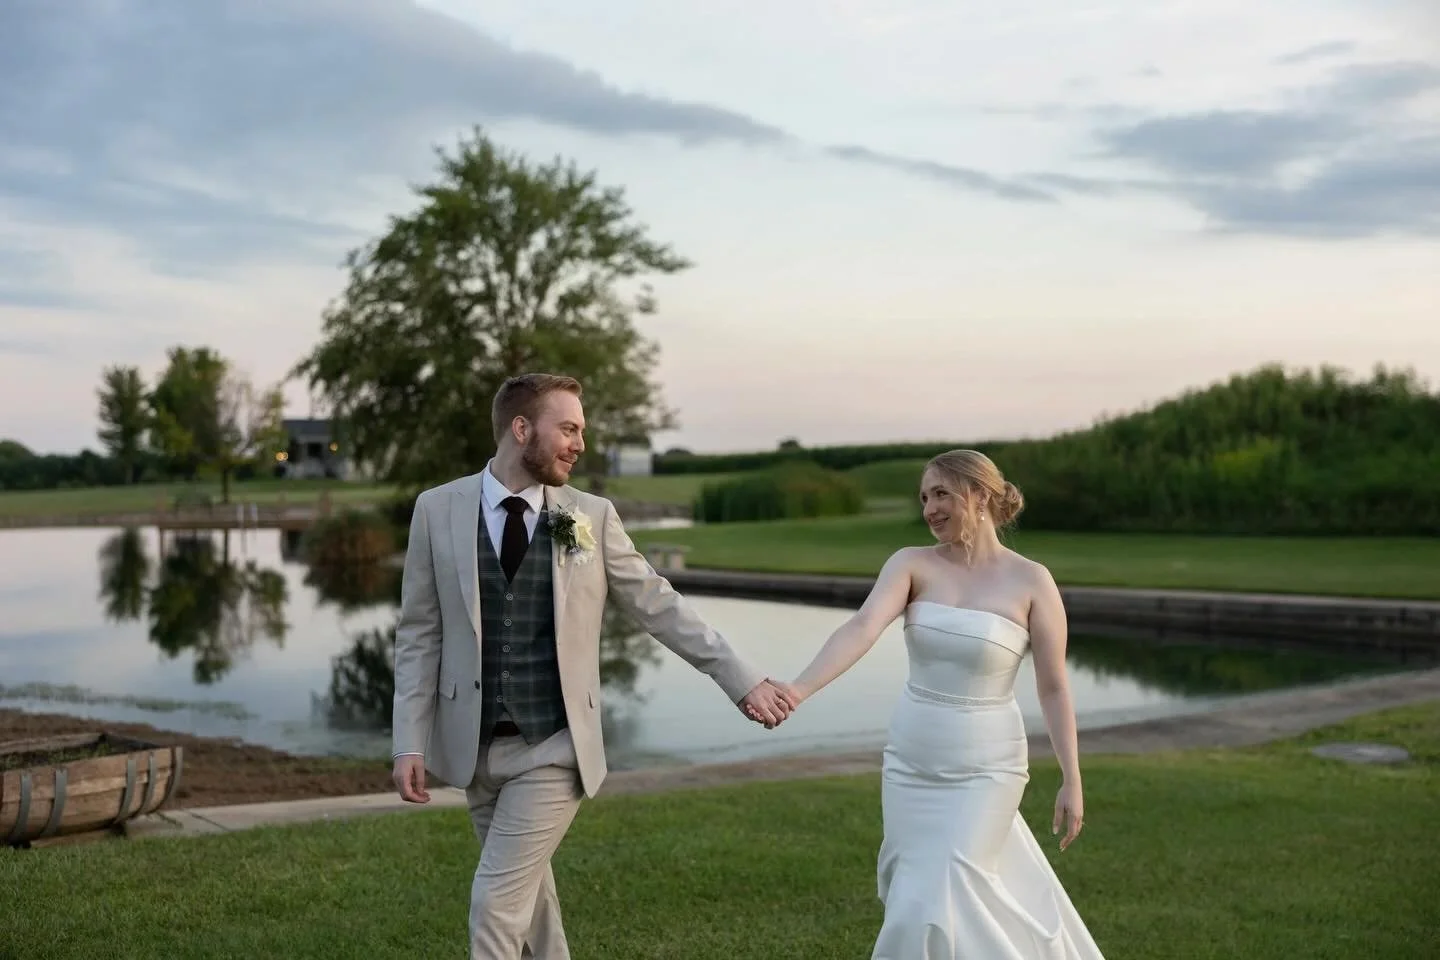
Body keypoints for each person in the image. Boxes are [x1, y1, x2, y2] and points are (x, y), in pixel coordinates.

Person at [390, 372, 797, 960]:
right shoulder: (436, 509)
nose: (581, 443)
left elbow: (660, 605)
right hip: (472, 749)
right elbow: (419, 635)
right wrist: (409, 741)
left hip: (554, 747)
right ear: (521, 429)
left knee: (495, 903)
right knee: (531, 910)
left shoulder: (591, 516)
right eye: (570, 428)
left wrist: (740, 678)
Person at [775, 450, 1105, 959]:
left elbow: (1054, 687)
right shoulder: (910, 564)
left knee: (950, 879)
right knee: (914, 898)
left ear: (981, 496)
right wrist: (797, 690)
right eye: (925, 496)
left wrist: (1072, 778)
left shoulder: (1032, 581)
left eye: (942, 493)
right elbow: (861, 629)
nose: (930, 507)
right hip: (911, 763)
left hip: (987, 767)